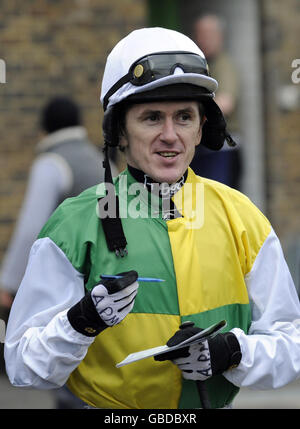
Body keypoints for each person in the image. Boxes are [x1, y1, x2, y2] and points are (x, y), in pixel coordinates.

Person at [4, 27, 300, 410]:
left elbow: (291, 343)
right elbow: (23, 365)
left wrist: (231, 352)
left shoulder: (242, 216)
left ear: (200, 129)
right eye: (151, 118)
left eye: (184, 117)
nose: (170, 135)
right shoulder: (72, 224)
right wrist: (80, 323)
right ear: (120, 132)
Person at [0, 96, 117, 406]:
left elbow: (30, 228)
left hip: (69, 288)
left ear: (45, 128)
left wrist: (8, 284)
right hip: (108, 287)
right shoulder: (101, 161)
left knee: (70, 380)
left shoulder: (53, 163)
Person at [190, 14, 242, 189]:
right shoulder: (200, 66)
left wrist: (191, 113)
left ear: (220, 37)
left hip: (221, 151)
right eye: (200, 34)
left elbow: (226, 103)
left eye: (208, 34)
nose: (202, 39)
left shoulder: (223, 64)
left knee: (216, 203)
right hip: (201, 150)